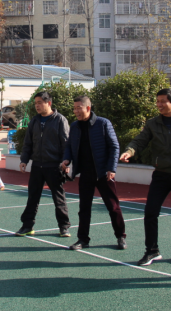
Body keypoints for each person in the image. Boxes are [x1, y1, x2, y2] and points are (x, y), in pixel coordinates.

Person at [120, 88, 171, 266]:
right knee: (150, 212)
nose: (158, 104)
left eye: (162, 101)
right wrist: (129, 151)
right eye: (157, 101)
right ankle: (152, 251)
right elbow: (140, 141)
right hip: (161, 175)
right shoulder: (152, 123)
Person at [62, 96, 126, 251]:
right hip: (85, 174)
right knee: (84, 208)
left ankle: (121, 236)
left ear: (88, 108)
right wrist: (66, 159)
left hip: (104, 173)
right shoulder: (75, 126)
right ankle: (83, 239)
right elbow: (69, 146)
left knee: (113, 207)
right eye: (74, 108)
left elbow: (114, 146)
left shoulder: (103, 123)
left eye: (79, 108)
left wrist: (111, 168)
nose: (76, 111)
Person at [16, 91, 71, 237]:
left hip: (54, 166)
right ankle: (27, 226)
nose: (37, 106)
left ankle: (64, 227)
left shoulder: (60, 120)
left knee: (59, 198)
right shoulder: (34, 121)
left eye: (40, 102)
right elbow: (28, 143)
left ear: (49, 103)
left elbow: (66, 144)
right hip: (37, 166)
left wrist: (66, 162)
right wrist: (24, 160)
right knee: (32, 198)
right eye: (35, 103)